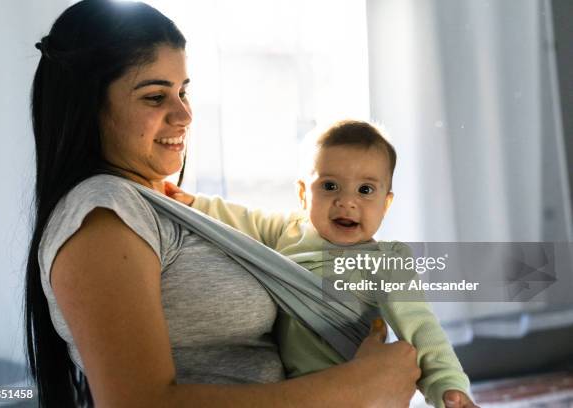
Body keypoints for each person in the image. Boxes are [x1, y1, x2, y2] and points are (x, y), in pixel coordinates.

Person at [24, 1, 422, 406]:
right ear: (89, 104)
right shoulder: (104, 216)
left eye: (183, 91)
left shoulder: (162, 205)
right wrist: (357, 386)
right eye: (155, 97)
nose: (183, 114)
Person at [167, 120, 479, 408]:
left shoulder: (388, 261)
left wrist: (447, 385)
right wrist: (196, 205)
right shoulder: (289, 230)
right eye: (330, 186)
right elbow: (245, 220)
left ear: (386, 204)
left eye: (365, 190)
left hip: (355, 389)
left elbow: (421, 327)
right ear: (304, 194)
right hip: (299, 391)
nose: (347, 201)